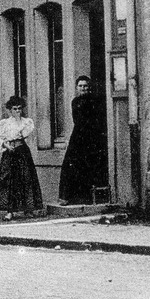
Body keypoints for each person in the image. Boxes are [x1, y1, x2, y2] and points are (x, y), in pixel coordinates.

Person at [57, 76, 109, 206]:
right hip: (78, 136)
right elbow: (76, 120)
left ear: (89, 87)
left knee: (90, 164)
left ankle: (90, 197)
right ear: (76, 88)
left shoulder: (95, 101)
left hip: (92, 136)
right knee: (71, 164)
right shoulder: (75, 101)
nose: (83, 88)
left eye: (85, 86)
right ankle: (68, 197)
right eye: (80, 86)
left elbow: (97, 119)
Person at [0, 95, 44, 218]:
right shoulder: (4, 123)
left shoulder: (26, 122)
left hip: (22, 152)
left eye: (19, 108)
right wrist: (7, 145)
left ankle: (28, 209)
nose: (18, 111)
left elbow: (24, 135)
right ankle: (10, 211)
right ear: (10, 110)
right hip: (9, 153)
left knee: (26, 178)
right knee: (9, 180)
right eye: (15, 109)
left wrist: (19, 129)